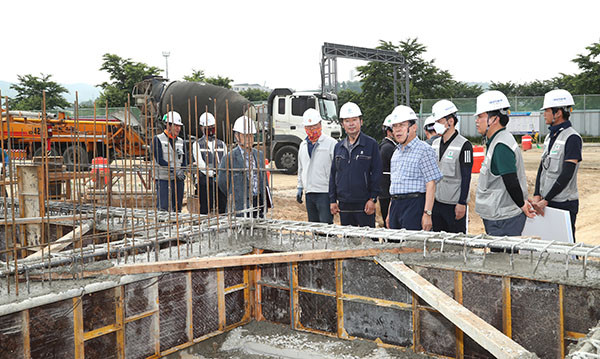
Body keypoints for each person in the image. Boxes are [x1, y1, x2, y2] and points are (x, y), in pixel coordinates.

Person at [474, 90, 535, 239]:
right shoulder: (497, 140)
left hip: (504, 218)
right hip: (500, 215)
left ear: (493, 119)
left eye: (480, 116)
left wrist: (522, 204)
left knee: (503, 260)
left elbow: (510, 180)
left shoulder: (501, 145)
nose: (476, 120)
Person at [531, 89, 582, 240]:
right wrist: (537, 194)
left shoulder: (572, 138)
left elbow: (567, 173)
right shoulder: (550, 136)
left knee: (565, 246)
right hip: (547, 201)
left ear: (558, 113)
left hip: (564, 203)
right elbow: (543, 166)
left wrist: (546, 199)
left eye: (546, 110)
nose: (544, 114)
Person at [386, 106, 442, 231]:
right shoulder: (396, 153)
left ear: (414, 127)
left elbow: (431, 184)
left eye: (402, 125)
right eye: (395, 126)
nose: (398, 130)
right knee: (395, 247)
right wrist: (390, 213)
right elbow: (395, 185)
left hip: (414, 205)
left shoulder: (424, 150)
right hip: (396, 205)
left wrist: (427, 214)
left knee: (413, 247)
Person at [329, 102, 382, 227]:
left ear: (361, 121)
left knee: (368, 241)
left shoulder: (371, 144)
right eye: (347, 121)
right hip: (344, 204)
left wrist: (372, 199)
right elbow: (333, 174)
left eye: (354, 120)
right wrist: (332, 200)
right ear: (342, 124)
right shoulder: (338, 147)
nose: (351, 124)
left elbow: (377, 173)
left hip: (364, 204)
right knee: (348, 241)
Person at [430, 100, 473, 233]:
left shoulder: (464, 145)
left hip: (453, 205)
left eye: (439, 121)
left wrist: (462, 203)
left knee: (456, 245)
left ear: (451, 121)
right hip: (436, 203)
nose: (436, 125)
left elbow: (466, 176)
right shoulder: (435, 144)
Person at [218, 116, 269, 218]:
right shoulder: (229, 158)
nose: (249, 139)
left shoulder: (259, 155)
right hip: (239, 206)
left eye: (251, 135)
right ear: (237, 136)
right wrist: (237, 194)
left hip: (258, 203)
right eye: (245, 135)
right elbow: (223, 184)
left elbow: (264, 180)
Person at [296, 108, 337, 224]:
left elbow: (336, 170)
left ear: (320, 124)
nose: (311, 130)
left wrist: (335, 194)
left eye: (314, 127)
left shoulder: (331, 144)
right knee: (313, 227)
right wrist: (300, 187)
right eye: (308, 128)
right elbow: (301, 168)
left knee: (325, 227)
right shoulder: (303, 145)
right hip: (309, 192)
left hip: (325, 192)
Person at [192, 112, 227, 214]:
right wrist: (212, 173)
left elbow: (225, 160)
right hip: (205, 182)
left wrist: (220, 173)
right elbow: (200, 164)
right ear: (202, 128)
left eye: (212, 127)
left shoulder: (221, 144)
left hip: (221, 182)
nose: (211, 130)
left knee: (222, 207)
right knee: (205, 208)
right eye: (208, 127)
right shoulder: (197, 144)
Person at [153, 111, 188, 212]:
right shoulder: (158, 139)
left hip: (178, 179)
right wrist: (174, 170)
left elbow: (185, 160)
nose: (178, 128)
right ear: (168, 125)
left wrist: (182, 170)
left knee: (177, 207)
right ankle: (161, 226)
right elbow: (159, 159)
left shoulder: (181, 141)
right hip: (163, 178)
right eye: (176, 126)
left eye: (179, 126)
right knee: (163, 207)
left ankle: (175, 226)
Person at [379, 114, 397, 227]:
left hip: (384, 191)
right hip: (388, 192)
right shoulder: (389, 148)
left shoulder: (384, 146)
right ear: (389, 132)